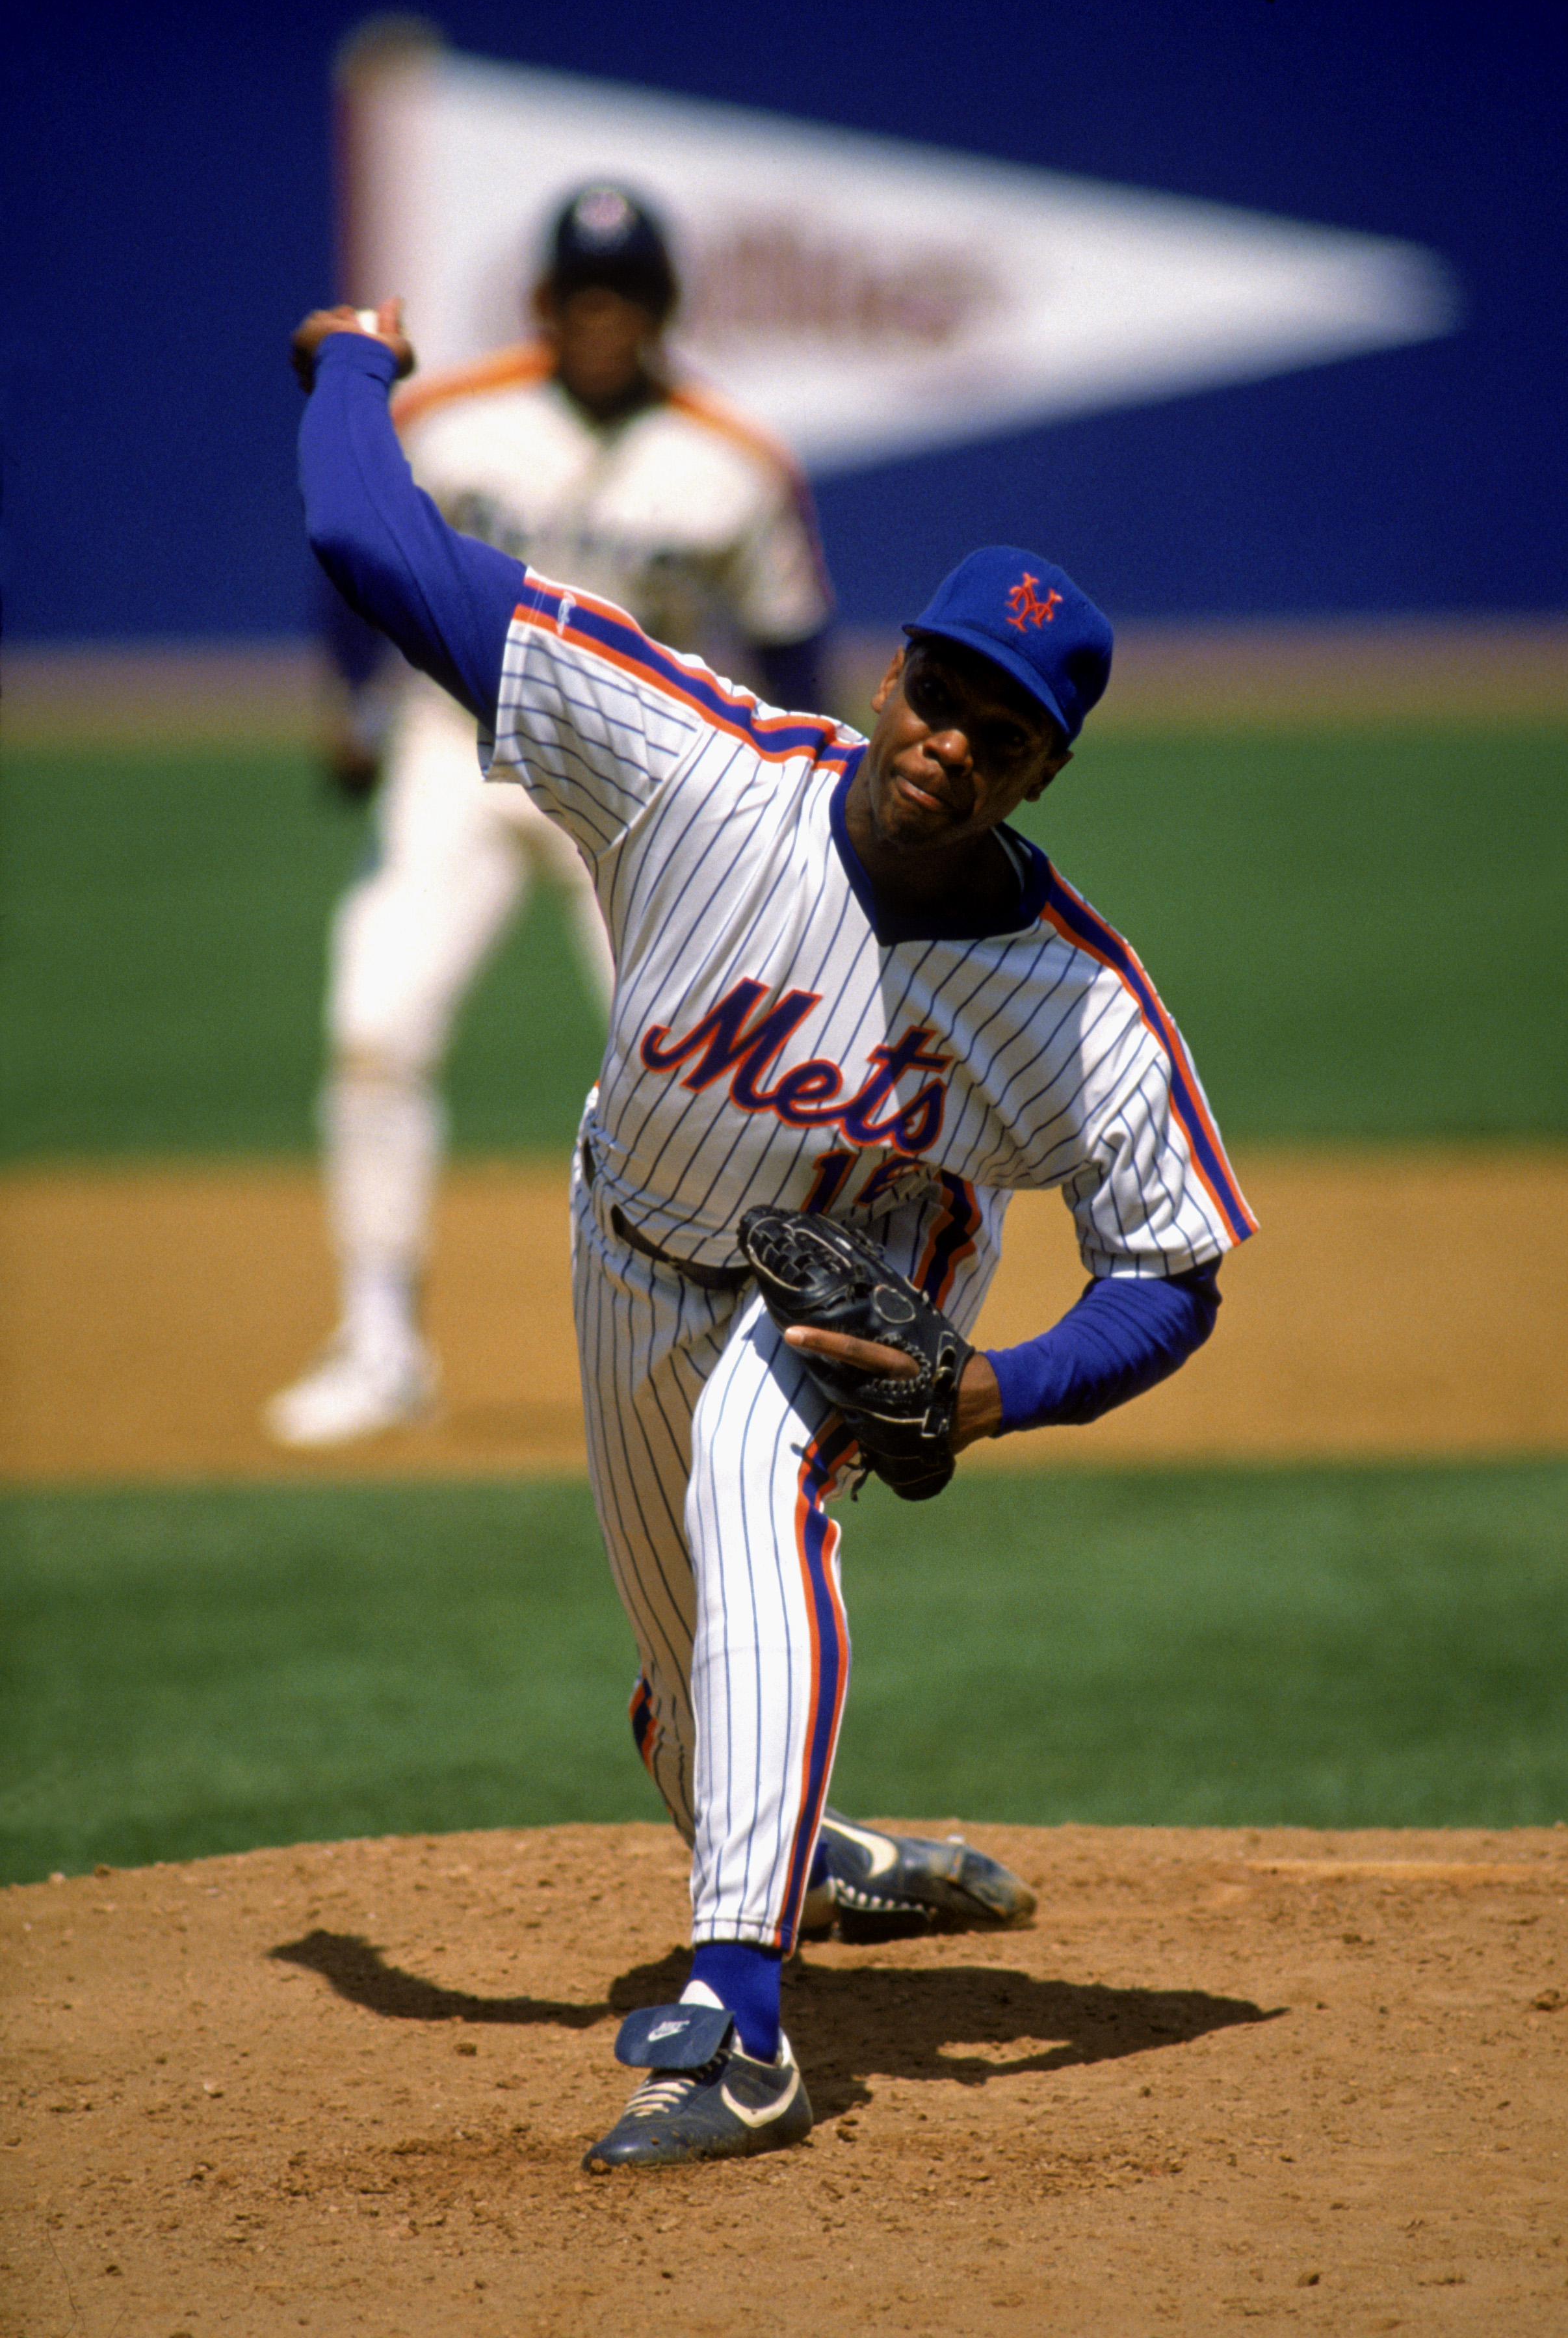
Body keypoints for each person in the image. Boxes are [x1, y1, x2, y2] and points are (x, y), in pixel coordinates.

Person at [290, 298, 1257, 2171]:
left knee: (755, 1486)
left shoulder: (1073, 1007)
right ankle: (807, 1856)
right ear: (891, 672)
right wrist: (350, 360)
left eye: (1010, 730)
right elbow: (363, 541)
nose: (958, 742)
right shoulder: (685, 759)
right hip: (621, 1243)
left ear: (1047, 773)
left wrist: (993, 1386)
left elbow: (1171, 1269)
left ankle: (738, 2023)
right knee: (681, 1701)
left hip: (842, 1301)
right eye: (948, 690)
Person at [268, 185, 835, 1448]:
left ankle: (758, 1349)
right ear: (544, 302)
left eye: (626, 295)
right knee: (376, 1024)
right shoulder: (460, 421)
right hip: (455, 753)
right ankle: (378, 1339)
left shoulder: (734, 463)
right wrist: (350, 702)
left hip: (639, 789)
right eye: (584, 294)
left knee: (710, 1072)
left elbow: (795, 647)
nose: (603, 318)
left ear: (663, 308)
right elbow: (360, 549)